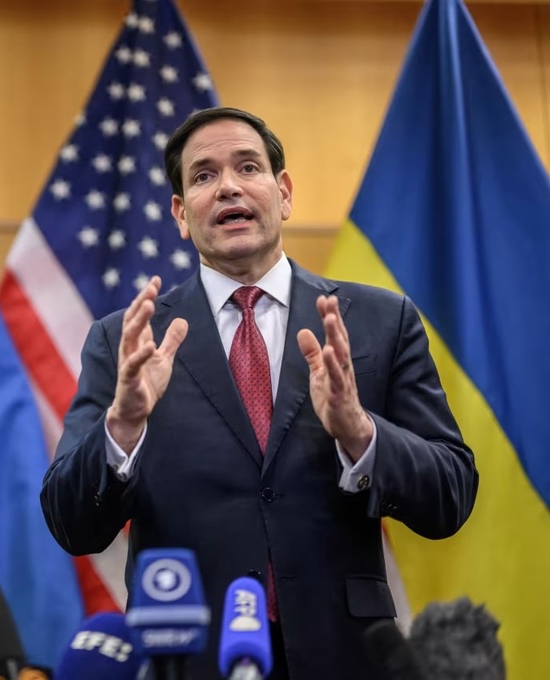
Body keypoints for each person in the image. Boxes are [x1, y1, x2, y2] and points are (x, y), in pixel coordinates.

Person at [39, 107, 479, 680]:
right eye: (203, 175)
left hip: (345, 655)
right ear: (181, 214)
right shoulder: (127, 342)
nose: (228, 187)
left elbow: (451, 495)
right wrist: (121, 430)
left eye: (248, 167)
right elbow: (71, 525)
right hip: (190, 658)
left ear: (283, 192)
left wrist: (361, 434)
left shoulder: (380, 321)